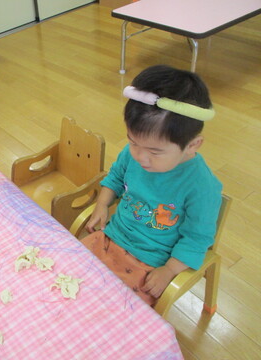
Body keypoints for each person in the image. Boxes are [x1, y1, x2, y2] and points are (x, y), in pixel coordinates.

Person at [83, 65, 222, 306]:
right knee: (65, 273)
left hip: (149, 264)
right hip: (109, 238)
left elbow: (197, 238)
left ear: (193, 144)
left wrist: (168, 270)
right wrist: (102, 205)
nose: (140, 157)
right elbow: (116, 177)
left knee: (113, 314)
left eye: (155, 151)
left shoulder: (202, 186)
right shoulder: (135, 153)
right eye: (132, 142)